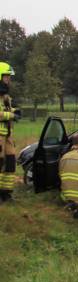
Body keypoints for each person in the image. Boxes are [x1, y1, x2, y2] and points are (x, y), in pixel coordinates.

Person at [0, 62, 20, 202]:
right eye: (7, 77)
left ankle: (6, 193)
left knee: (11, 163)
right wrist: (12, 115)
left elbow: (5, 110)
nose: (9, 80)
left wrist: (15, 111)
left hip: (7, 136)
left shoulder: (5, 96)